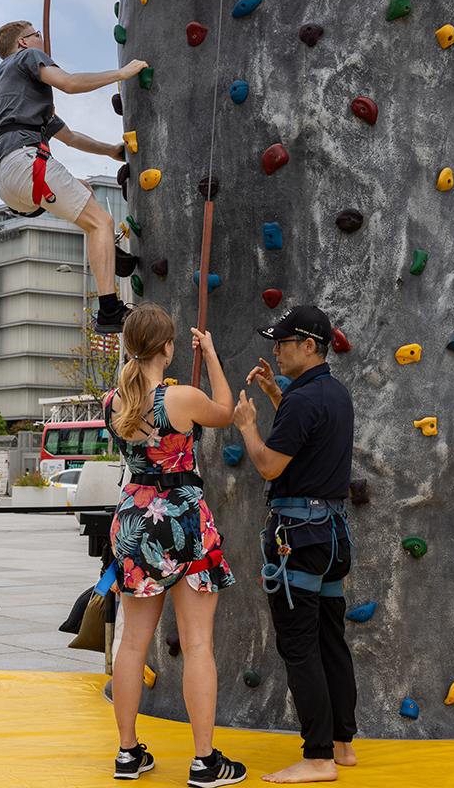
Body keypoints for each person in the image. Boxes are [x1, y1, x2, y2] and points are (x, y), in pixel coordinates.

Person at [104, 304, 246, 787]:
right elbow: (225, 411)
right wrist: (211, 353)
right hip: (182, 519)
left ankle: (127, 753)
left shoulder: (113, 403)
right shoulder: (180, 399)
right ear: (167, 347)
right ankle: (204, 761)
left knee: (132, 644)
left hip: (133, 520)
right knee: (198, 642)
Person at [231, 306, 358, 784]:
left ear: (309, 345)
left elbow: (269, 466)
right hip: (331, 536)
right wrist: (272, 393)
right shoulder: (332, 394)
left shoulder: (304, 401)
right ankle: (342, 744)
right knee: (330, 640)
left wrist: (247, 425)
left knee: (299, 646)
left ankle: (318, 756)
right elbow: (307, 433)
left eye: (283, 343)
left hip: (297, 538)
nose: (275, 351)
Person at [0, 20, 147, 334]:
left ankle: (105, 253)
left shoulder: (16, 94)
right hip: (25, 158)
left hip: (7, 179)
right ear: (22, 42)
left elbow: (71, 137)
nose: (42, 39)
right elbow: (70, 83)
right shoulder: (27, 59)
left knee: (83, 190)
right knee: (100, 221)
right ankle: (110, 310)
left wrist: (111, 151)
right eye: (37, 35)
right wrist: (121, 73)